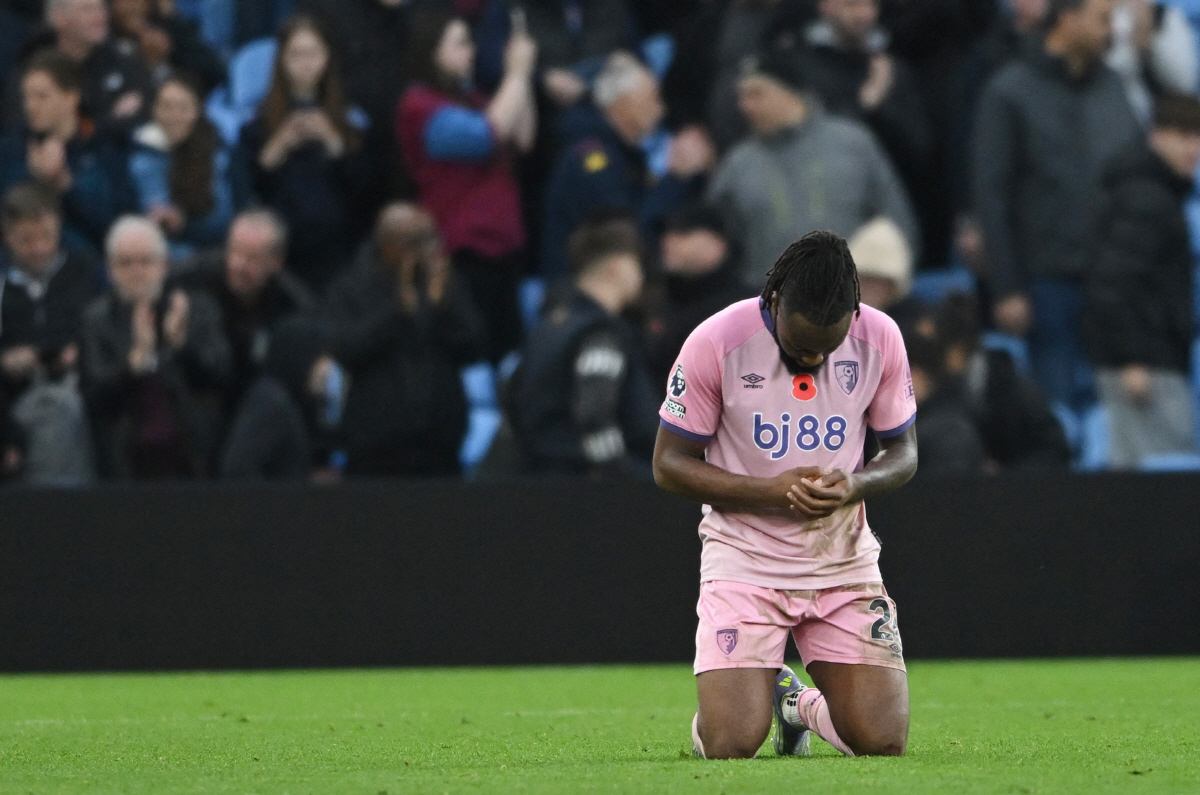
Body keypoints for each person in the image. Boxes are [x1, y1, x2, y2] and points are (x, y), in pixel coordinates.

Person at [651, 230, 917, 759]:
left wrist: (856, 484)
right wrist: (769, 492)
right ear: (774, 302)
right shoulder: (717, 340)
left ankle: (796, 705)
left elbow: (903, 453)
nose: (813, 359)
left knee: (882, 741)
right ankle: (742, 708)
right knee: (731, 744)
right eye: (799, 347)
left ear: (854, 314)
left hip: (840, 558)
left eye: (827, 348)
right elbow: (668, 464)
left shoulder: (881, 336)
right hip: (745, 559)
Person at [972, 0, 1141, 414]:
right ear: (1068, 19)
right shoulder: (1009, 90)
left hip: (1113, 283)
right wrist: (1007, 287)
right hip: (1045, 284)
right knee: (1055, 412)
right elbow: (991, 195)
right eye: (1102, 19)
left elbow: (1135, 178)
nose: (1111, 31)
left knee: (1113, 419)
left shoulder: (1113, 86)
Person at [708, 49, 917, 288]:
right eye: (742, 97)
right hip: (770, 298)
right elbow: (719, 238)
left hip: (849, 292)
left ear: (789, 92)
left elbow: (895, 219)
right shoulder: (738, 163)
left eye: (756, 94)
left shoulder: (851, 143)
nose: (745, 106)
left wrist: (888, 281)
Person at [397, 8, 537, 365]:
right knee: (474, 356)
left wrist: (519, 76)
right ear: (431, 49)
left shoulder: (476, 99)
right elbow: (484, 136)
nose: (470, 52)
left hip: (504, 249)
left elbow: (523, 136)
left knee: (508, 355)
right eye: (459, 44)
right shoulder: (420, 106)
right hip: (462, 253)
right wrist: (517, 73)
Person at [325, 203, 485, 477]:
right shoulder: (353, 286)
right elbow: (345, 349)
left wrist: (440, 310)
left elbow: (475, 347)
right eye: (417, 240)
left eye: (432, 238)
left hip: (440, 442)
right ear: (388, 244)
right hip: (375, 443)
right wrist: (396, 313)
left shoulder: (446, 284)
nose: (429, 248)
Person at [1084, 93, 1200, 468]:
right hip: (1147, 366)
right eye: (1184, 135)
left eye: (1198, 137)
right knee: (1160, 481)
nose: (1194, 149)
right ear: (1156, 135)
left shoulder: (1150, 193)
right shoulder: (1147, 200)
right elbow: (1111, 284)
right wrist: (1131, 359)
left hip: (1152, 361)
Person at [774, 0, 936, 263]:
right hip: (822, 214)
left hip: (887, 214)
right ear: (826, 6)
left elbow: (920, 150)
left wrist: (879, 111)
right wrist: (866, 104)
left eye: (870, 4)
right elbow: (810, 141)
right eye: (851, 4)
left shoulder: (893, 69)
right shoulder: (799, 67)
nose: (864, 14)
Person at [79, 215, 231, 479]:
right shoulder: (96, 320)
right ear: (110, 270)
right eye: (125, 263)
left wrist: (182, 347)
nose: (136, 272)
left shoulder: (196, 309)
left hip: (191, 450)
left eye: (145, 261)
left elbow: (221, 376)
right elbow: (93, 396)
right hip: (124, 455)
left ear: (163, 265)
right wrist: (134, 365)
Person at [541, 52, 715, 280]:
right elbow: (626, 233)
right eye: (653, 98)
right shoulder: (594, 160)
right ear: (623, 103)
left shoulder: (621, 153)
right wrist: (675, 178)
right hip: (580, 287)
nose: (661, 110)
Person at [509, 212, 659, 476]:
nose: (640, 276)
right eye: (637, 264)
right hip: (587, 482)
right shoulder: (600, 332)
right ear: (617, 266)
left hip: (541, 475)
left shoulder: (549, 325)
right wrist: (621, 474)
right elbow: (594, 412)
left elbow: (511, 392)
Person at [238, 14, 371, 294]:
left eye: (313, 53)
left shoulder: (351, 120)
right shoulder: (257, 123)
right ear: (282, 60)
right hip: (280, 246)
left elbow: (364, 190)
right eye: (296, 54)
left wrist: (334, 143)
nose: (305, 63)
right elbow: (245, 188)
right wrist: (277, 147)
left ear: (327, 58)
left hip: (336, 246)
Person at [0, 181, 101, 484]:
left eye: (46, 237)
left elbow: (108, 330)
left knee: (60, 408)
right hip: (13, 393)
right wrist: (6, 361)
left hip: (81, 388)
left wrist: (80, 353)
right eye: (27, 240)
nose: (39, 249)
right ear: (7, 235)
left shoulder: (84, 273)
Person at [173, 208, 316, 419]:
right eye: (234, 251)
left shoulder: (293, 304)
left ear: (276, 261)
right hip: (201, 398)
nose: (238, 265)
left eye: (251, 258)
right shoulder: (192, 280)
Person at [0, 50, 134, 254]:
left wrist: (66, 186)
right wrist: (36, 180)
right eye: (26, 97)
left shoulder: (102, 147)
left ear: (71, 97)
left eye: (41, 96)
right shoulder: (12, 148)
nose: (30, 106)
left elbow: (116, 226)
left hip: (88, 261)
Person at [129, 75, 243, 261]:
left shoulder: (218, 154)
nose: (173, 116)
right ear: (154, 109)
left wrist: (185, 222)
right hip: (161, 256)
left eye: (182, 107)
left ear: (197, 111)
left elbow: (228, 216)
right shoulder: (140, 158)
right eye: (166, 106)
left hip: (216, 251)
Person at [643, 203, 754, 387]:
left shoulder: (745, 310)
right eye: (667, 233)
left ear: (718, 244)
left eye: (684, 233)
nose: (668, 241)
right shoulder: (660, 303)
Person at [13, 0, 155, 138]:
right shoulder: (34, 63)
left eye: (101, 8)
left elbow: (143, 108)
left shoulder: (123, 61)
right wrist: (110, 119)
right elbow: (18, 121)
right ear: (59, 17)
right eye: (87, 9)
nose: (100, 16)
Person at [219, 316, 338, 479]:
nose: (327, 369)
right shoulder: (273, 404)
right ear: (298, 356)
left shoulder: (289, 400)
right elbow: (237, 467)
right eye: (320, 357)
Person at [108, 0, 226, 97]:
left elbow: (214, 73)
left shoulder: (171, 29)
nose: (130, 5)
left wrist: (171, 22)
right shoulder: (106, 41)